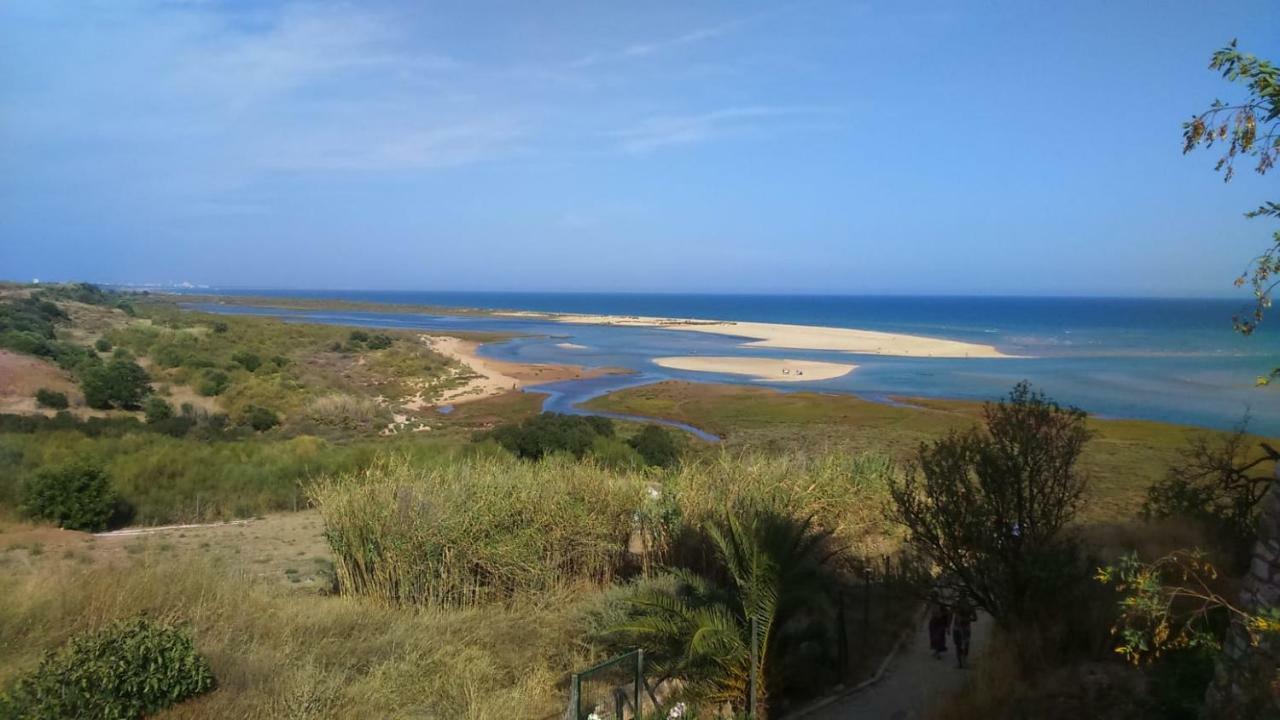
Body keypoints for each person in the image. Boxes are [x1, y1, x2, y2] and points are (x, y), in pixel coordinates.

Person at [952, 597, 978, 668]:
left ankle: (961, 662)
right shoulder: (958, 605)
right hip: (960, 628)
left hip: (962, 628)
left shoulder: (968, 606)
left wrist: (965, 619)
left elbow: (975, 618)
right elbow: (975, 618)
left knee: (963, 645)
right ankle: (961, 662)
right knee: (960, 645)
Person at [927, 595, 951, 659]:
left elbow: (948, 613)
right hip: (933, 622)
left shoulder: (940, 604)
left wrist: (941, 615)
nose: (933, 598)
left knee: (939, 637)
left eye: (934, 597)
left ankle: (938, 653)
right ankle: (936, 651)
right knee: (933, 637)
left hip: (940, 623)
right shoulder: (930, 604)